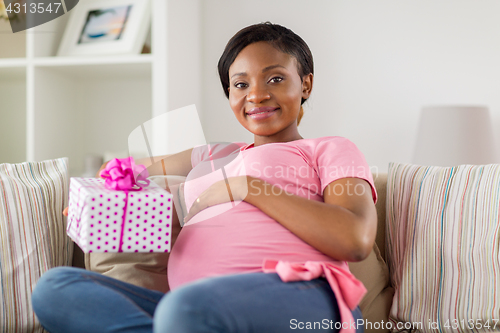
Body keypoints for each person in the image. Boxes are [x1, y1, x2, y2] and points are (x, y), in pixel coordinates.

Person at [32, 22, 378, 333]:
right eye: (240, 84)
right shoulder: (214, 156)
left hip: (305, 298)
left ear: (305, 84)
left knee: (185, 310)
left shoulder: (328, 149)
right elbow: (132, 170)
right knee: (55, 289)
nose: (256, 94)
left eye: (275, 78)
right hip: (190, 312)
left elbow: (355, 238)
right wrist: (97, 202)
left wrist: (247, 188)